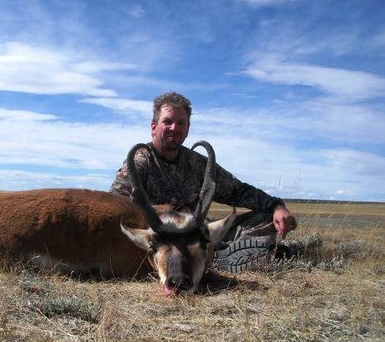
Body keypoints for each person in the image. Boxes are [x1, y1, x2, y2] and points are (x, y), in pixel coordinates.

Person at [109, 91, 297, 273]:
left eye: (181, 123)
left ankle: (215, 257)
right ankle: (223, 257)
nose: (174, 128)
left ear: (187, 129)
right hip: (163, 241)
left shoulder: (197, 163)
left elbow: (237, 190)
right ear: (153, 127)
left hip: (197, 236)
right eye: (168, 122)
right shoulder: (140, 161)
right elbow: (114, 205)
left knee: (264, 220)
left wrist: (275, 206)